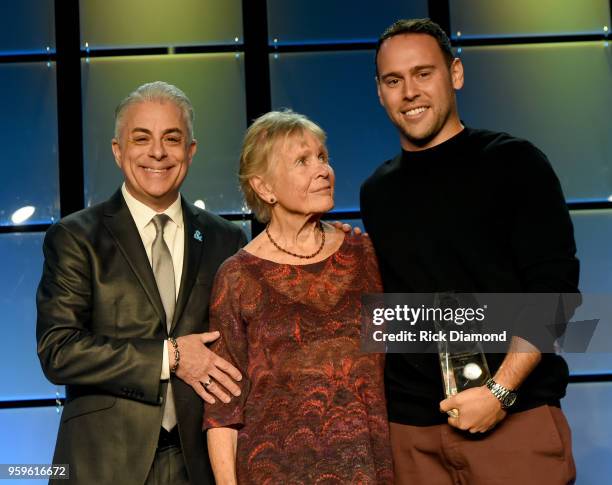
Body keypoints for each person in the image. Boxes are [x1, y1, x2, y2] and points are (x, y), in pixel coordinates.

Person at [360, 18, 578, 485]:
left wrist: (499, 393)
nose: (409, 92)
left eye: (424, 73)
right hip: (412, 434)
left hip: (514, 421)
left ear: (455, 74)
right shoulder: (375, 192)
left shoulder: (515, 163)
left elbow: (554, 291)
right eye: (393, 80)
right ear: (379, 92)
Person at [36, 81, 246, 485]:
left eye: (172, 138)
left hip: (201, 463)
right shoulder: (76, 237)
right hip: (104, 462)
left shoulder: (226, 239)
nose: (157, 152)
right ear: (118, 151)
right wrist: (170, 357)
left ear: (191, 150)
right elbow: (58, 350)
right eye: (141, 138)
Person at [203, 110, 393, 484]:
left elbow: (421, 330)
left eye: (323, 157)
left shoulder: (364, 254)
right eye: (302, 162)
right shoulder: (238, 276)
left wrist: (528, 322)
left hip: (369, 470)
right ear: (264, 187)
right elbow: (222, 410)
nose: (323, 170)